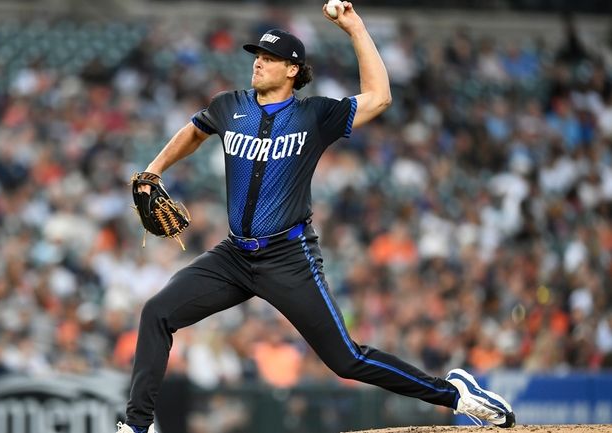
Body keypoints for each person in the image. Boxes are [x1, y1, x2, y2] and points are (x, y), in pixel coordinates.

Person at [117, 3, 516, 433]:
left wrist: (356, 29)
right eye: (257, 56)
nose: (258, 63)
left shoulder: (313, 116)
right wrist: (155, 168)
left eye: (269, 58)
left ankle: (458, 396)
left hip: (288, 257)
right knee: (157, 312)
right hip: (233, 256)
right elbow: (194, 130)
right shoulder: (229, 106)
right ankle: (136, 428)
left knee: (347, 359)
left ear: (292, 69)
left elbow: (380, 97)